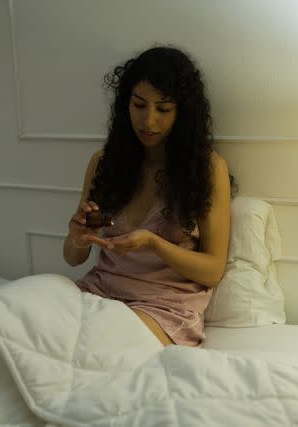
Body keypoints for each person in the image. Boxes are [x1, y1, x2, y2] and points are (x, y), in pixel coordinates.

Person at [63, 46, 232, 347]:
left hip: (163, 307)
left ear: (182, 112)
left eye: (163, 109)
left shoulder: (207, 168)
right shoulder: (104, 162)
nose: (148, 121)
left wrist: (154, 243)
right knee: (22, 318)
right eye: (139, 105)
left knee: (98, 346)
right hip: (99, 291)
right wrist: (78, 235)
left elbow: (213, 270)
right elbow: (73, 258)